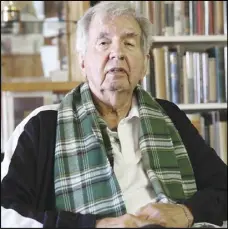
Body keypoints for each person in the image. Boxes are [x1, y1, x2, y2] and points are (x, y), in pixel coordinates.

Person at [1, 1, 227, 228]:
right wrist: (96, 226)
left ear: (145, 63)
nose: (117, 53)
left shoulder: (170, 116)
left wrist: (187, 212)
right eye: (103, 42)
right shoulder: (43, 126)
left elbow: (222, 188)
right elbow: (6, 213)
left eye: (129, 43)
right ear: (82, 61)